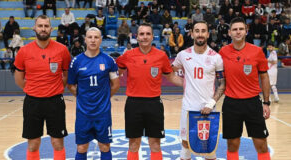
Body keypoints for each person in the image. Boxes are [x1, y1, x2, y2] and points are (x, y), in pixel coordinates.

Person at [116, 23, 183, 160]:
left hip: (154, 104)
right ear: (137, 37)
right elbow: (118, 73)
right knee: (134, 144)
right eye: (142, 34)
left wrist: (189, 85)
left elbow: (170, 76)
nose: (145, 37)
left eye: (148, 34)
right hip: (133, 104)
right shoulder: (128, 55)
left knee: (155, 144)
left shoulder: (161, 56)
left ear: (153, 36)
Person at [13, 15, 71, 160]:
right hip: (32, 102)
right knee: (33, 144)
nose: (43, 29)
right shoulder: (24, 51)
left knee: (58, 143)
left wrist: (55, 88)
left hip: (55, 102)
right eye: (40, 26)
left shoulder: (62, 50)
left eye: (46, 26)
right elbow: (19, 78)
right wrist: (33, 89)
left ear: (51, 29)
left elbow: (66, 75)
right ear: (34, 28)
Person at [219, 17, 271, 160]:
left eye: (241, 29)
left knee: (261, 144)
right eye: (235, 29)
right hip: (231, 104)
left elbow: (264, 77)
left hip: (253, 103)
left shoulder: (257, 51)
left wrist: (266, 103)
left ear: (246, 31)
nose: (238, 32)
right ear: (229, 32)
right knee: (232, 144)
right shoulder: (222, 52)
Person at [172, 20, 225, 160]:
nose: (200, 34)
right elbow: (169, 72)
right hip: (188, 108)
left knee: (208, 145)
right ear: (191, 34)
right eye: (197, 31)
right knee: (185, 143)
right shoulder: (183, 55)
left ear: (208, 34)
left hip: (208, 109)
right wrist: (184, 83)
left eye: (203, 31)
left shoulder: (216, 57)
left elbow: (222, 84)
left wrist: (210, 104)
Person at [67, 27, 120, 160]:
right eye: (90, 37)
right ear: (85, 39)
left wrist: (104, 98)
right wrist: (82, 98)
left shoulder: (109, 61)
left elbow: (115, 85)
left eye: (96, 37)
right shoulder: (76, 61)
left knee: (104, 146)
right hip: (83, 113)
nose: (93, 40)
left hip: (103, 113)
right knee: (82, 147)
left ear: (101, 40)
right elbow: (71, 85)